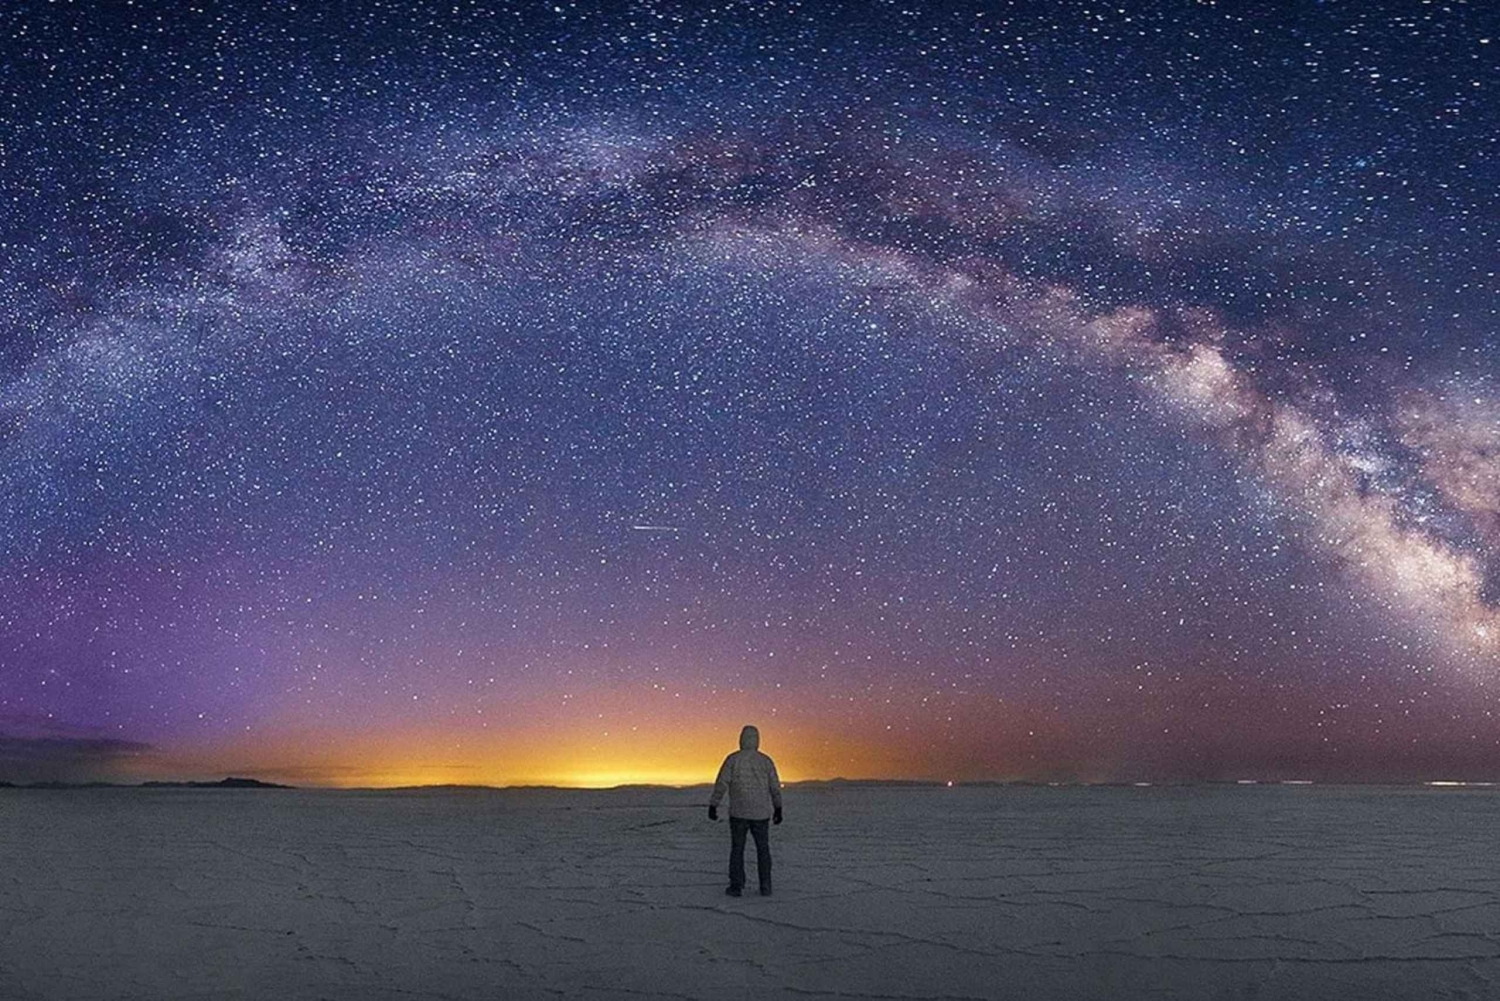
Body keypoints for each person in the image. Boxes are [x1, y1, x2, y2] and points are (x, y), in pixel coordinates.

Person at [707, 724, 783, 896]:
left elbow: (722, 783)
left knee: (737, 849)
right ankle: (765, 885)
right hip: (761, 814)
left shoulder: (733, 759)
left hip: (738, 813)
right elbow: (774, 787)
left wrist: (714, 804)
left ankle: (736, 885)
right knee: (763, 849)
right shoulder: (765, 761)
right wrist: (778, 808)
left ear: (741, 738)